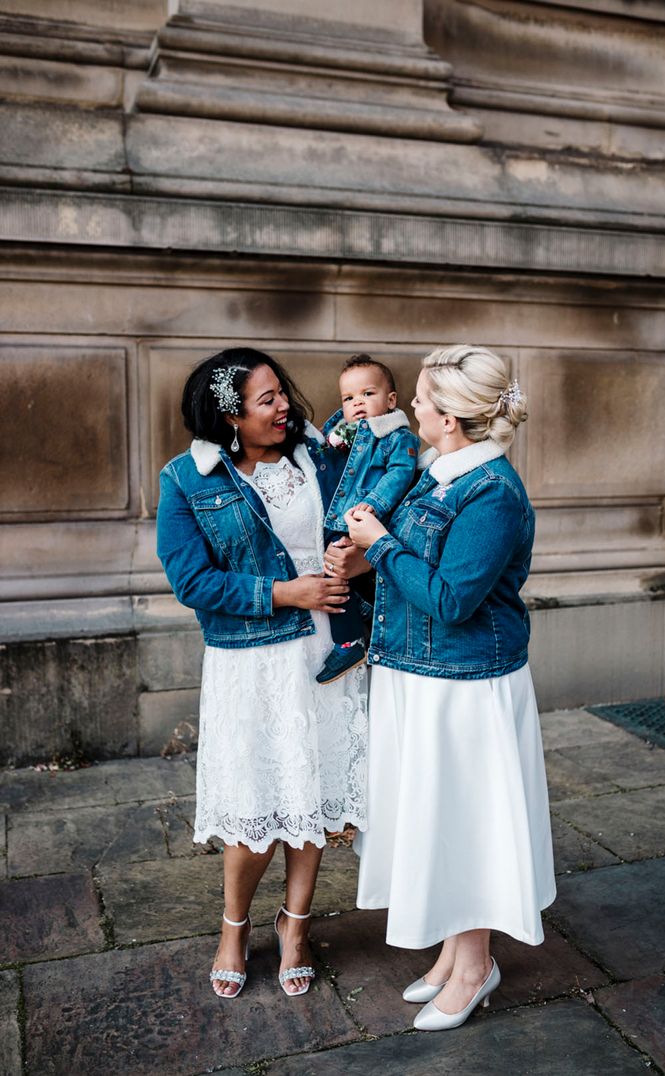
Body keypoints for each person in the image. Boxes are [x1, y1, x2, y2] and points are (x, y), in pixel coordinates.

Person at [341, 344, 556, 1032]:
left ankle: (473, 968)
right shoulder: (436, 473)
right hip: (419, 678)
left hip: (464, 687)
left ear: (452, 421)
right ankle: (452, 956)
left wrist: (378, 544)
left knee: (464, 826)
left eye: (423, 401)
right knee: (437, 821)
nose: (410, 406)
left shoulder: (491, 492)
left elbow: (453, 599)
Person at [156, 347, 368, 1000]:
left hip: (327, 648)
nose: (284, 407)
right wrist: (286, 593)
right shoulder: (186, 480)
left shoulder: (323, 453)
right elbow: (192, 580)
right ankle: (234, 926)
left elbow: (375, 525)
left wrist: (356, 568)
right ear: (230, 419)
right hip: (251, 662)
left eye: (282, 392)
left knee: (314, 799)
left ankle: (296, 925)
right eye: (265, 401)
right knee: (256, 808)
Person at [316, 354, 419, 684]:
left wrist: (373, 503)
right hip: (337, 520)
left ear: (391, 401)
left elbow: (400, 473)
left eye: (367, 394)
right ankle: (352, 635)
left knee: (355, 577)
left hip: (367, 520)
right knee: (336, 578)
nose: (357, 403)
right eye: (349, 398)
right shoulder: (341, 436)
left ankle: (354, 638)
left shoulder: (396, 437)